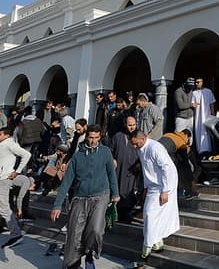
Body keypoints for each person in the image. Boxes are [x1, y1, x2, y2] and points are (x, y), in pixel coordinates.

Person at [51, 125, 119, 269]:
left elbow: (111, 174)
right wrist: (57, 205)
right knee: (74, 232)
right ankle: (72, 263)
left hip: (101, 196)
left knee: (96, 230)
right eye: (91, 137)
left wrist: (115, 193)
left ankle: (89, 255)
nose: (93, 141)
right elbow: (67, 182)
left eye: (96, 138)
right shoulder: (77, 156)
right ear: (86, 137)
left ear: (100, 137)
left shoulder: (105, 152)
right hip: (80, 197)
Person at [131, 129, 180, 260]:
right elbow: (147, 170)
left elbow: (166, 168)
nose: (134, 147)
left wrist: (165, 190)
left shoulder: (155, 148)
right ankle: (157, 243)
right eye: (133, 144)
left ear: (143, 139)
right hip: (153, 185)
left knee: (150, 214)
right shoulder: (141, 149)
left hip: (164, 183)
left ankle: (147, 248)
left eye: (136, 144)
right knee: (149, 214)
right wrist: (146, 188)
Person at [109, 115, 141, 223]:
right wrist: (112, 159)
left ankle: (127, 214)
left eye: (134, 125)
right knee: (118, 190)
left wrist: (139, 164)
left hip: (132, 170)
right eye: (129, 125)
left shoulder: (139, 136)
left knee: (129, 192)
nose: (132, 127)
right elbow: (110, 150)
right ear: (125, 125)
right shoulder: (118, 136)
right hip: (119, 169)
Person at [158, 129, 199, 200]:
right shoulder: (181, 142)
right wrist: (191, 178)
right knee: (183, 168)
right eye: (189, 139)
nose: (188, 142)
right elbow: (185, 164)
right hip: (165, 154)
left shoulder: (169, 134)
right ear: (187, 136)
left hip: (155, 152)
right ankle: (188, 193)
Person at [190, 77, 216, 155]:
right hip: (198, 118)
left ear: (202, 82)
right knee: (198, 133)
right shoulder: (194, 93)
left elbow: (212, 103)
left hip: (207, 116)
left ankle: (208, 151)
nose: (196, 84)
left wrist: (213, 115)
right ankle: (200, 152)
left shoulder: (208, 91)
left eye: (198, 82)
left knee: (207, 134)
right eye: (196, 82)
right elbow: (192, 104)